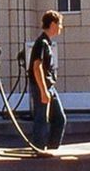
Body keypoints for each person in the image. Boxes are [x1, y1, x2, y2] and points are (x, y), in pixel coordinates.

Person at [29, 10, 67, 150]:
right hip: (41, 86)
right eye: (59, 24)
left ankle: (51, 148)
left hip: (49, 86)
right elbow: (36, 67)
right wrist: (43, 90)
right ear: (52, 24)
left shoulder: (46, 43)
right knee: (41, 118)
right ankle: (39, 148)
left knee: (59, 118)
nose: (61, 27)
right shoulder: (42, 43)